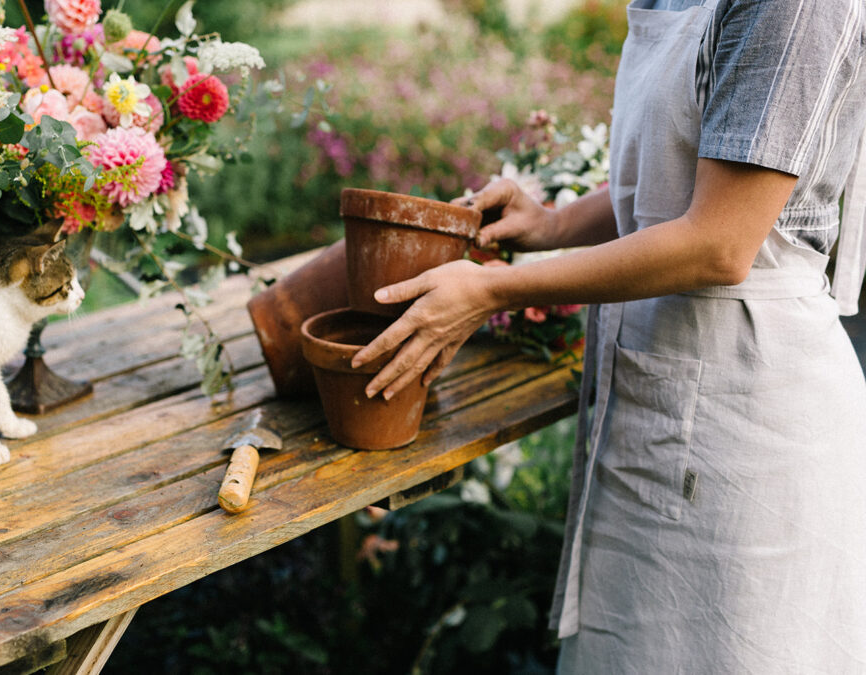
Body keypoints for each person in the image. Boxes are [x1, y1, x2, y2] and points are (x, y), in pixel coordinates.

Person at [351, 0, 866, 670]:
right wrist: (554, 226)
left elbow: (721, 240)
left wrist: (489, 290)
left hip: (753, 421)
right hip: (662, 400)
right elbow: (688, 172)